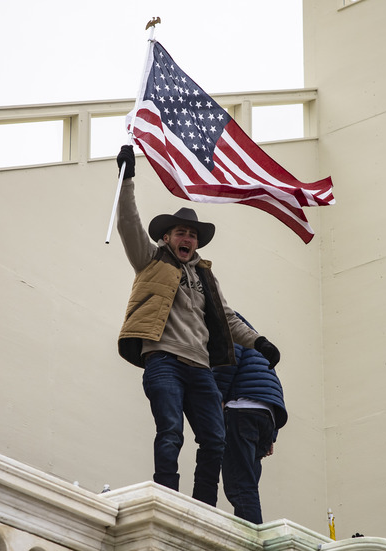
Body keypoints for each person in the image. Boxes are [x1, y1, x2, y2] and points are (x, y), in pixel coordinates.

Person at [114, 145, 281, 507]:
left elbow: (227, 317)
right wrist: (126, 178)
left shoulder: (206, 276)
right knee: (171, 430)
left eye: (192, 234)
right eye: (180, 233)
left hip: (201, 367)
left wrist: (259, 342)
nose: (187, 239)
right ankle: (167, 498)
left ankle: (202, 505)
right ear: (167, 237)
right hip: (164, 360)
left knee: (215, 438)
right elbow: (128, 224)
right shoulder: (150, 260)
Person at [213, 312, 287, 524]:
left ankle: (252, 537)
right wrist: (272, 435)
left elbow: (228, 361)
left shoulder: (230, 327)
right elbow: (273, 387)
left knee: (239, 484)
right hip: (266, 415)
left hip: (241, 410)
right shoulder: (256, 344)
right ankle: (252, 528)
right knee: (248, 484)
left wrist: (218, 398)